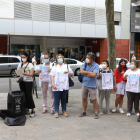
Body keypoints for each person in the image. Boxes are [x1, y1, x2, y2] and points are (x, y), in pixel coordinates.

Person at [50, 54, 73, 118]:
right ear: (56, 59)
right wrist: (52, 84)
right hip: (57, 86)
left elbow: (71, 74)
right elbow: (52, 75)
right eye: (58, 58)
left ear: (63, 58)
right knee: (56, 99)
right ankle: (56, 111)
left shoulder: (66, 66)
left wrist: (68, 73)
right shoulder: (55, 67)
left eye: (60, 57)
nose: (59, 59)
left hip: (65, 85)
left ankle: (64, 111)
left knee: (64, 99)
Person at [79, 52, 99, 119]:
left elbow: (93, 75)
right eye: (86, 57)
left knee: (94, 99)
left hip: (92, 85)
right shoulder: (85, 64)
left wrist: (85, 73)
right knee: (84, 98)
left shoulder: (96, 65)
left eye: (88, 58)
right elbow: (81, 71)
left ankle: (96, 112)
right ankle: (84, 111)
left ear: (92, 59)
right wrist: (89, 73)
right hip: (84, 84)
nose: (86, 59)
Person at [17, 52, 35, 117]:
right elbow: (18, 73)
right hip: (22, 81)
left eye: (24, 57)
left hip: (28, 81)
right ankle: (26, 108)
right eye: (22, 57)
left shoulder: (30, 64)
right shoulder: (20, 64)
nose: (23, 58)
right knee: (23, 95)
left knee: (28, 95)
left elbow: (31, 74)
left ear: (27, 57)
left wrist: (25, 73)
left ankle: (32, 109)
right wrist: (19, 72)